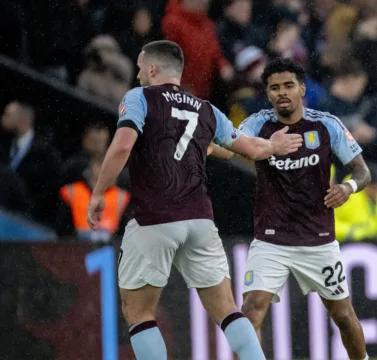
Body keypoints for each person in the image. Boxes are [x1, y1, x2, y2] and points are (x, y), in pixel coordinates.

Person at [86, 40, 303, 360]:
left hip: (154, 218)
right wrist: (274, 146)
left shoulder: (140, 98)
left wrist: (99, 192)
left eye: (140, 67)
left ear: (153, 69)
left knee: (139, 311)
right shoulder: (206, 109)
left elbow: (121, 147)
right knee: (227, 310)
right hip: (200, 220)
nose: (137, 74)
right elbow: (251, 149)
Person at [237, 58, 371, 359]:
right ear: (267, 93)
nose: (282, 93)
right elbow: (232, 145)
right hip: (271, 239)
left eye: (288, 86)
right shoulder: (258, 124)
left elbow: (363, 172)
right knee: (250, 313)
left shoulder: (325, 124)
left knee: (343, 316)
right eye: (274, 88)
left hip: (318, 239)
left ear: (301, 89)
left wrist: (347, 188)